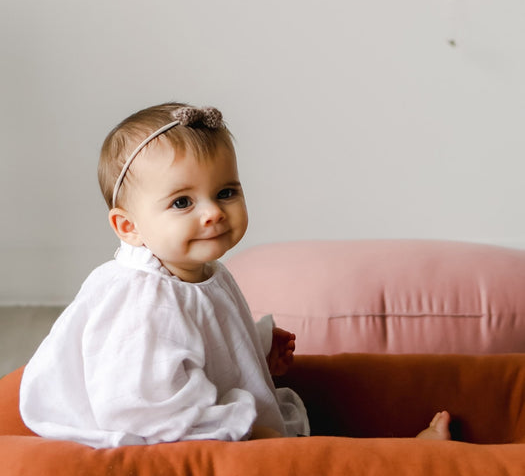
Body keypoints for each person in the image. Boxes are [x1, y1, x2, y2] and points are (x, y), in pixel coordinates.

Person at [19, 102, 449, 447]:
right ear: (128, 227)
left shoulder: (204, 270)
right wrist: (243, 431)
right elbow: (143, 404)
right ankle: (411, 460)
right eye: (182, 203)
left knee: (311, 432)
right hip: (175, 444)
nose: (213, 213)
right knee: (311, 470)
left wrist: (256, 351)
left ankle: (401, 457)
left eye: (226, 192)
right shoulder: (144, 300)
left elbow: (201, 346)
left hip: (217, 421)